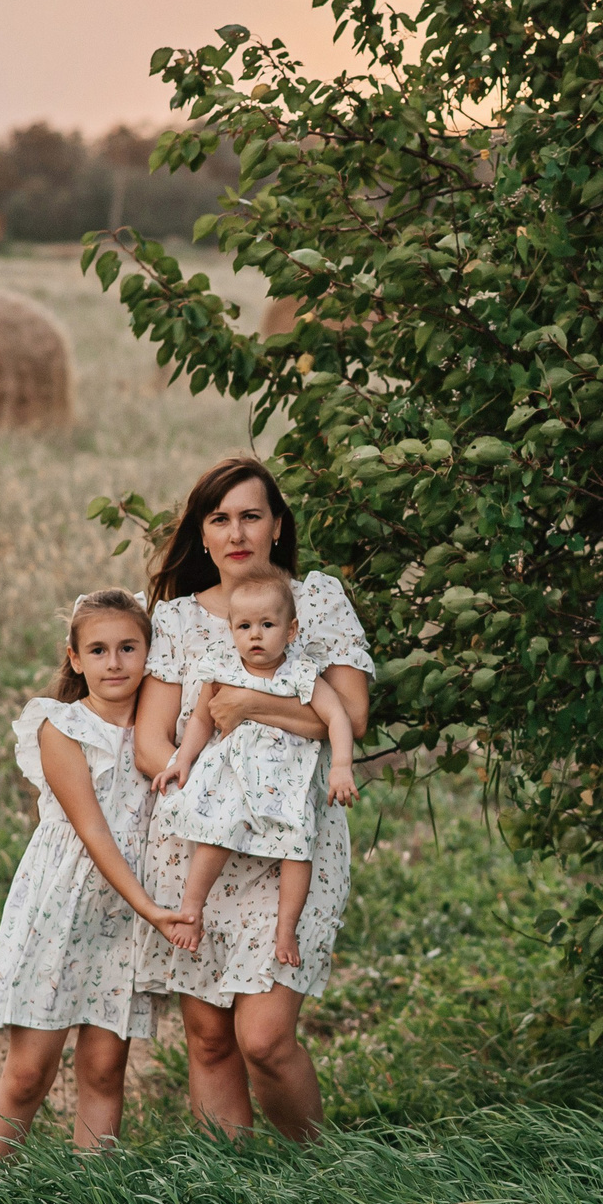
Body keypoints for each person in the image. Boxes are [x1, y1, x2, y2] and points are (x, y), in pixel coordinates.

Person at [134, 457, 373, 1141]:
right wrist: (206, 781)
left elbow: (347, 719)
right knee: (209, 1039)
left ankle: (320, 1173)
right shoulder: (178, 620)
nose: (236, 531)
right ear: (202, 536)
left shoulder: (316, 601)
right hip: (201, 838)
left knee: (264, 1038)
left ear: (276, 525)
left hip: (293, 837)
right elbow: (153, 740)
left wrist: (246, 704)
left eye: (251, 514)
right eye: (219, 518)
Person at [0, 589, 180, 1157]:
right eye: (98, 650)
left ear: (148, 654)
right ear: (75, 658)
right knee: (28, 1072)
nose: (114, 663)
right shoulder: (58, 725)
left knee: (103, 1069)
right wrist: (153, 908)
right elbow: (91, 831)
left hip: (127, 917)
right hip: (61, 906)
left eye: (127, 648)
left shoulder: (159, 731)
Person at [150, 574, 359, 966]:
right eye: (244, 626)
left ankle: (286, 932)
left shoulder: (301, 673)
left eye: (267, 625)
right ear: (231, 631)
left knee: (298, 849)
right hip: (233, 778)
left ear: (291, 630)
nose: (255, 636)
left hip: (288, 783)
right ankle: (191, 913)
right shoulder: (223, 668)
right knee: (216, 833)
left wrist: (342, 767)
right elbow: (201, 721)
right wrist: (182, 760)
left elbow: (338, 718)